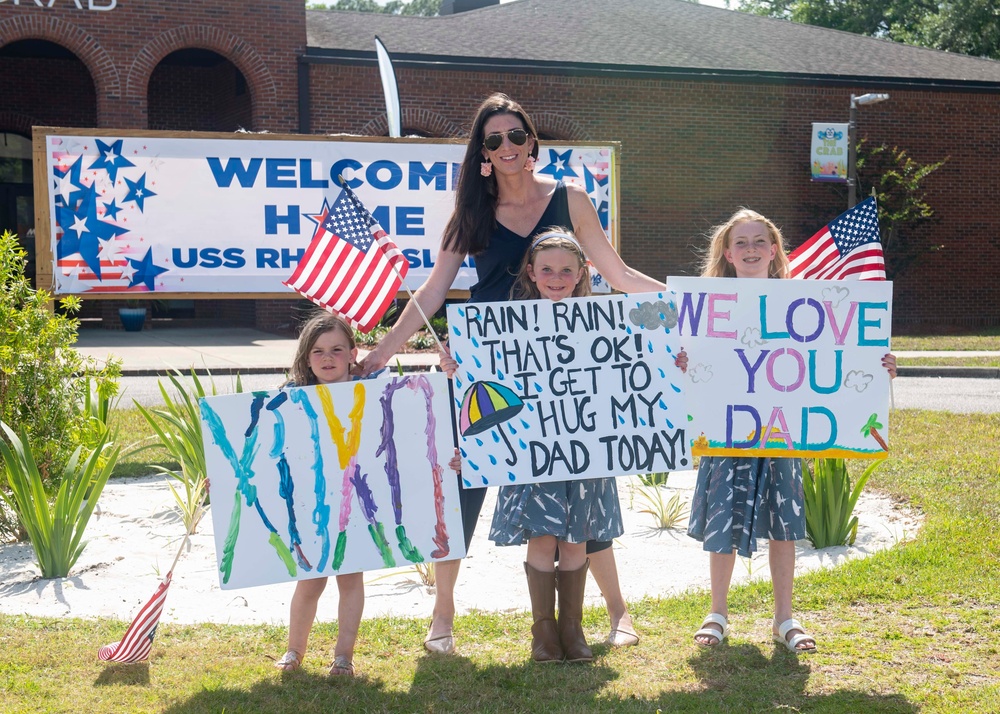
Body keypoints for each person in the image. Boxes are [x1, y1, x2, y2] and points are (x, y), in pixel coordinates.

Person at [358, 93, 664, 654]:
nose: (506, 147)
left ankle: (615, 613)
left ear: (532, 143)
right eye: (492, 139)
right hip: (490, 367)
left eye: (515, 136)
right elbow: (432, 291)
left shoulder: (571, 199)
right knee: (464, 486)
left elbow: (617, 273)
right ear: (483, 152)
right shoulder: (470, 214)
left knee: (582, 475)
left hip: (565, 362)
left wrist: (689, 304)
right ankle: (442, 618)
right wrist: (380, 352)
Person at [684, 209, 897, 653]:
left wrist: (877, 369)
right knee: (724, 516)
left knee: (784, 524)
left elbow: (840, 355)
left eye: (760, 241)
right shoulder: (707, 305)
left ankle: (785, 617)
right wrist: (685, 363)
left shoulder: (804, 303)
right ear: (726, 252)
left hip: (784, 431)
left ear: (775, 249)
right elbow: (691, 366)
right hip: (730, 429)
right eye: (741, 242)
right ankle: (717, 612)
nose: (750, 249)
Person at [442, 230, 621, 662]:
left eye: (565, 270)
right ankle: (544, 635)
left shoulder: (606, 319)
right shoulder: (506, 322)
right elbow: (484, 384)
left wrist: (671, 360)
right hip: (532, 454)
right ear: (531, 273)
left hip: (583, 452)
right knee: (541, 541)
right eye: (547, 270)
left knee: (577, 541)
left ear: (582, 273)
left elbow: (630, 370)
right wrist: (454, 365)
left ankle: (572, 632)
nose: (556, 278)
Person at [273, 312, 365, 676]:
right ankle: (294, 651)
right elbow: (266, 449)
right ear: (306, 357)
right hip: (309, 503)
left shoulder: (371, 394)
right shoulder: (291, 398)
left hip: (357, 501)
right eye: (318, 351)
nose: (328, 358)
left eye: (337, 350)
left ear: (353, 353)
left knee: (351, 579)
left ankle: (344, 655)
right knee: (309, 580)